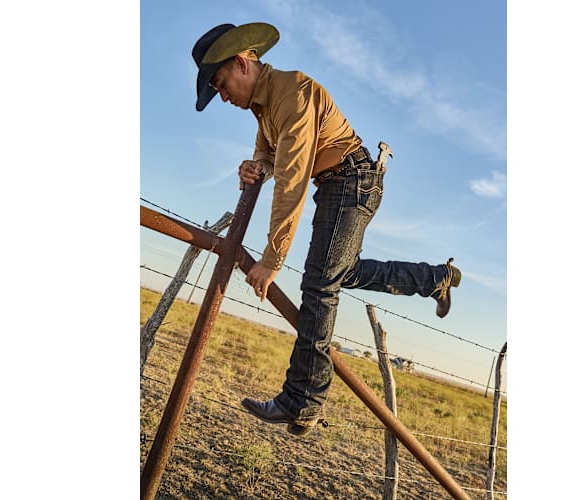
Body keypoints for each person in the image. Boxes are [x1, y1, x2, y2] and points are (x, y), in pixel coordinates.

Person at [191, 22, 461, 436]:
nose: (223, 97)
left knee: (319, 284)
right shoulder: (265, 108)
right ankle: (435, 279)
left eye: (221, 84)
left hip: (351, 182)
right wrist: (255, 165)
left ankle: (303, 399)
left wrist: (271, 259)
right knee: (340, 273)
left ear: (243, 64)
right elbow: (268, 153)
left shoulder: (291, 94)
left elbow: (292, 181)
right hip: (341, 184)